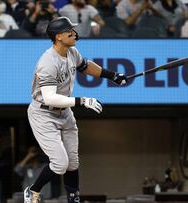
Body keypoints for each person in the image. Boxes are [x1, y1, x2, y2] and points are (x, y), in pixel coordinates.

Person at [24, 16, 127, 203]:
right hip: (43, 112)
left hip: (64, 112)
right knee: (60, 163)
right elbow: (49, 97)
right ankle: (32, 190)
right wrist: (82, 101)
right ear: (58, 37)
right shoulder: (47, 62)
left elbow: (86, 67)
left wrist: (112, 75)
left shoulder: (71, 51)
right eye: (69, 30)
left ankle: (74, 199)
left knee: (72, 162)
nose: (74, 33)